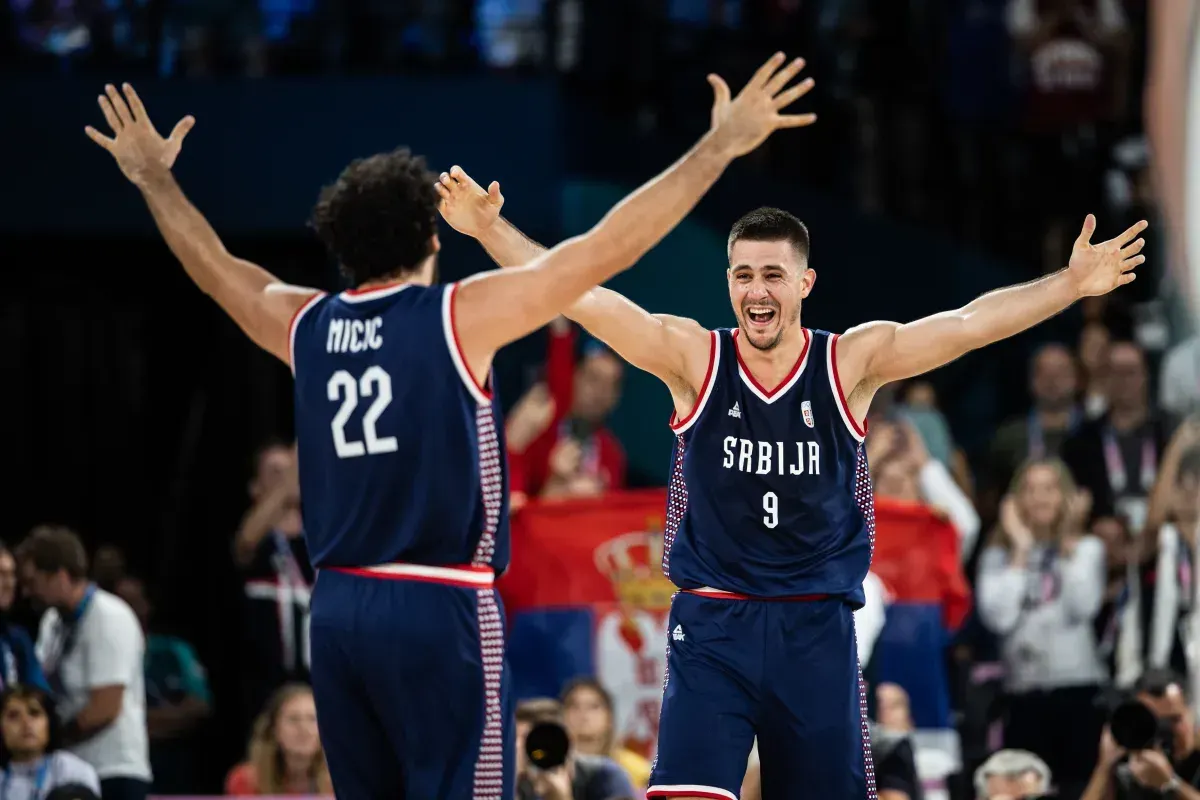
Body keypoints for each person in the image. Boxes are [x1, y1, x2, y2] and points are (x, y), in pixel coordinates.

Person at [82, 56, 817, 799]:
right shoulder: (455, 317)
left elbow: (214, 266)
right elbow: (606, 248)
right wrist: (718, 147)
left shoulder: (303, 322)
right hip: (439, 601)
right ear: (431, 238)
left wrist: (153, 179)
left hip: (336, 609)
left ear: (341, 245)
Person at [437, 163, 1146, 798]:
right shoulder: (693, 357)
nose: (757, 290)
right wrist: (492, 230)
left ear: (804, 283)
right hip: (715, 625)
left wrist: (1071, 284)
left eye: (773, 275)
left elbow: (966, 325)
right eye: (743, 275)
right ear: (729, 284)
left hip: (816, 630)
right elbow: (580, 296)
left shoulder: (848, 363)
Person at [976, 459, 1107, 799]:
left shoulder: (1088, 550)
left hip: (1077, 692)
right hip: (1023, 697)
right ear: (1015, 501)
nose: (1040, 498)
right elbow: (998, 619)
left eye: (1049, 489)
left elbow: (1085, 605)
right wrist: (1020, 550)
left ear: (1065, 496)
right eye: (1030, 490)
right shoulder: (997, 556)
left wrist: (1066, 544)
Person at [16, 527, 150, 800]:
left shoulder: (109, 616)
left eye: (33, 582)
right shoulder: (52, 623)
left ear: (61, 576)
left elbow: (105, 707)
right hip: (69, 769)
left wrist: (51, 739)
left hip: (113, 772)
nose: (27, 592)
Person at [224, 684, 331, 796]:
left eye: (312, 719)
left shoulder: (341, 779)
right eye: (293, 719)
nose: (304, 728)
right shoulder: (245, 780)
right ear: (274, 729)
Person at [0, 685, 100, 800]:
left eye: (34, 713)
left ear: (49, 723)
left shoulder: (74, 772)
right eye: (13, 716)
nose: (26, 723)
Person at [559, 678, 651, 789]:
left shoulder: (637, 771)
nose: (583, 714)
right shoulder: (549, 768)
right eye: (574, 706)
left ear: (609, 717)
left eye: (593, 706)